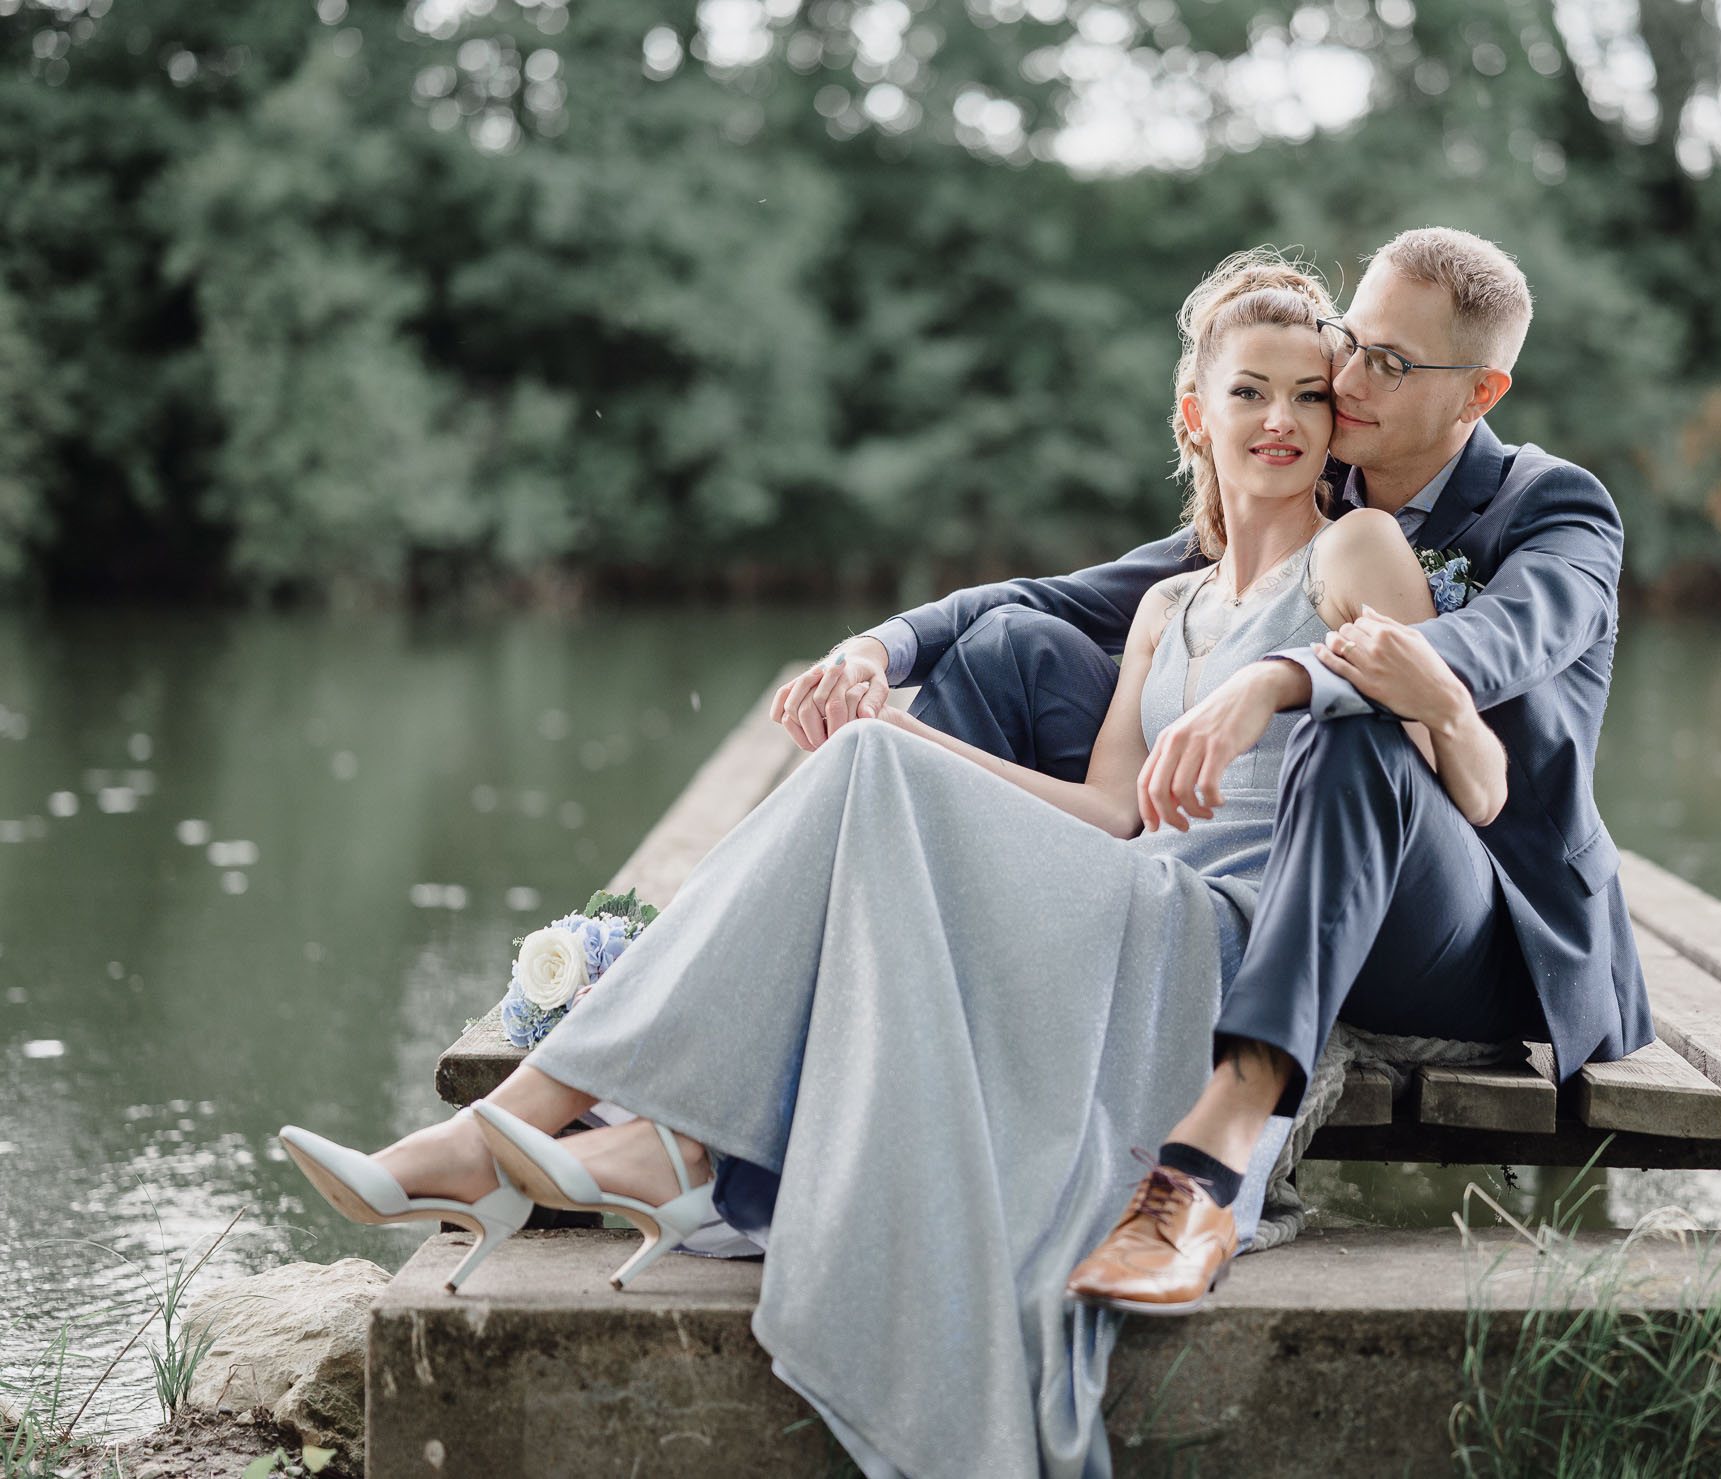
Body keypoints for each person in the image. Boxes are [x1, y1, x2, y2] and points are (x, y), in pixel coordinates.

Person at [278, 250, 1503, 1479]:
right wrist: (908, 739)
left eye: (1306, 395)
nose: (1280, 421)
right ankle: (595, 1140)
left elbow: (1452, 764)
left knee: (871, 771)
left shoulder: (1355, 558)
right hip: (1124, 891)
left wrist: (1365, 700)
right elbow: (1109, 815)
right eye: (1249, 392)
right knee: (869, 758)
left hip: (1216, 946)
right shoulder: (1160, 612)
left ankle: (551, 1137)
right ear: (1195, 414)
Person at [775, 226, 1654, 1313]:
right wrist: (881, 649)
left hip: (1474, 923)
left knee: (1354, 725)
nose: (1344, 377)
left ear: (1480, 390)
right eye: (1350, 340)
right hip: (1296, 871)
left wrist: (1289, 675)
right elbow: (1063, 595)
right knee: (1014, 651)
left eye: (1390, 361)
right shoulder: (1313, 462)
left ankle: (1214, 1159)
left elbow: (1498, 645)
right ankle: (875, 1000)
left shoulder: (1554, 506)